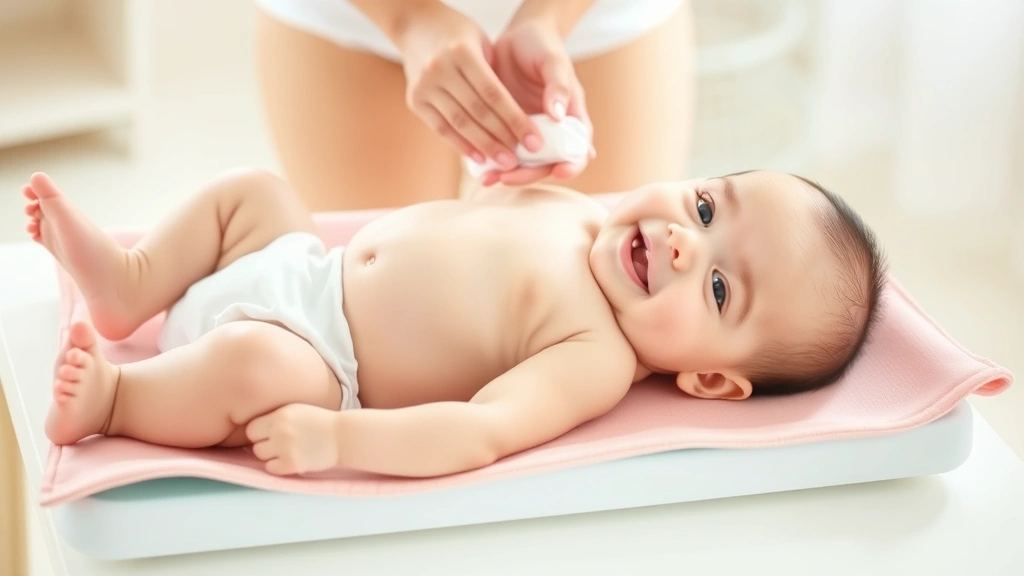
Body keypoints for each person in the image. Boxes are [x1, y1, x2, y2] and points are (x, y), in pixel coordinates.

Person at [23, 167, 885, 479]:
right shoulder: (583, 210)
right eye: (704, 205)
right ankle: (130, 286)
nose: (680, 242)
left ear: (707, 378)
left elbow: (478, 432)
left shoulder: (597, 355)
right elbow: (468, 219)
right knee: (258, 192)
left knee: (251, 364)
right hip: (302, 266)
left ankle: (117, 398)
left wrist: (336, 438)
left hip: (322, 356)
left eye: (723, 291)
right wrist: (515, 172)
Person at [253, 0, 695, 210]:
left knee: (613, 312)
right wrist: (407, 17)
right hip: (352, 20)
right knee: (367, 309)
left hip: (597, 18)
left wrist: (552, 15)